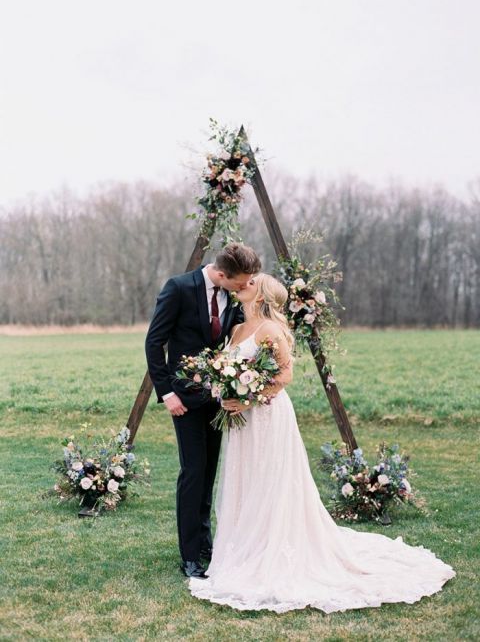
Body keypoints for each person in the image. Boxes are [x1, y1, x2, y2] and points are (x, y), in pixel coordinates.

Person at [188, 273, 456, 613]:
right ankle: (243, 547)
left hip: (267, 416)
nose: (243, 284)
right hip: (243, 423)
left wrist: (248, 398)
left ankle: (271, 549)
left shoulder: (270, 330)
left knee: (270, 481)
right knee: (245, 480)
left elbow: (285, 375)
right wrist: (224, 389)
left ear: (263, 295)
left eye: (251, 282)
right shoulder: (237, 330)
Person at [145, 243, 262, 579]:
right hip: (183, 400)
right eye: (240, 282)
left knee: (209, 471)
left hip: (217, 399)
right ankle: (190, 555)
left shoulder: (232, 298)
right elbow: (155, 342)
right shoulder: (179, 288)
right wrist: (166, 392)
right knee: (193, 472)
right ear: (222, 274)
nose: (244, 288)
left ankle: (206, 541)